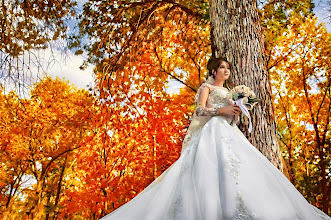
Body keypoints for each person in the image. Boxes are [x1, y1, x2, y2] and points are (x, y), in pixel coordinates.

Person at [101, 57, 330, 220]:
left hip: (230, 132)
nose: (226, 70)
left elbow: (232, 118)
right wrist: (222, 111)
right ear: (213, 71)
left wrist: (236, 112)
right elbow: (199, 111)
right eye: (222, 67)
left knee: (239, 168)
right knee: (209, 169)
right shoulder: (206, 87)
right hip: (211, 133)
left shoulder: (231, 93)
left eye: (228, 67)